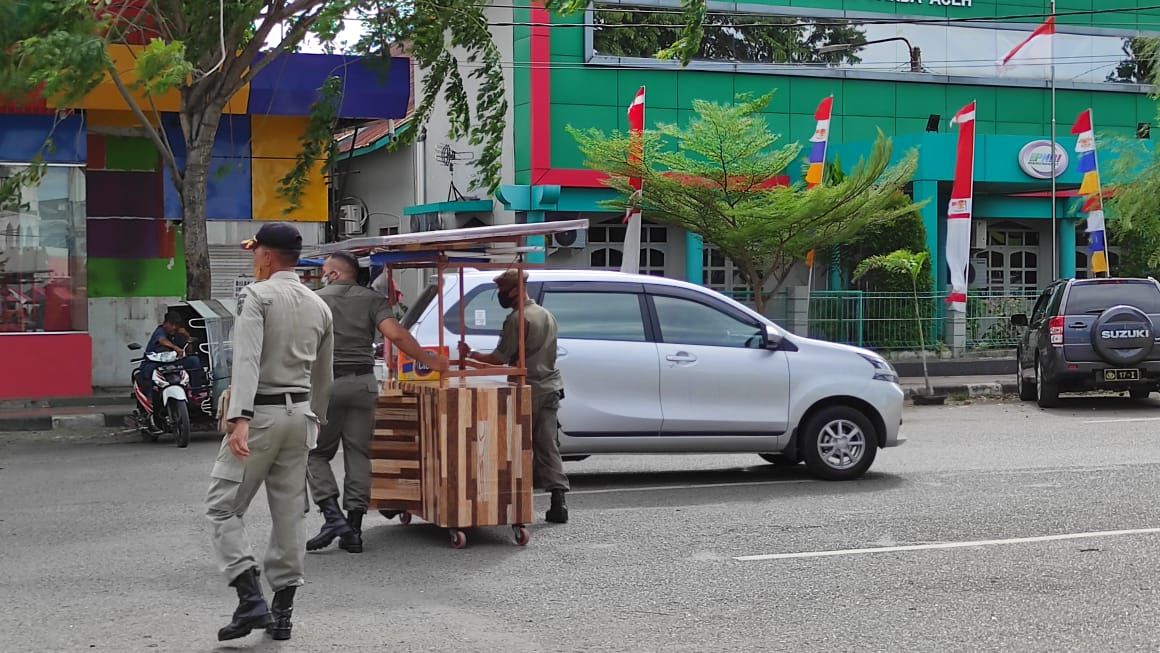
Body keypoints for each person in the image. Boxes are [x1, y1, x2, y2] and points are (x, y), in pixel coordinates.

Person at [206, 223, 334, 643]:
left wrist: (239, 416)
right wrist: (315, 418)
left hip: (259, 414)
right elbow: (323, 375)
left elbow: (246, 359)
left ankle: (249, 600)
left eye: (255, 251)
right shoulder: (319, 305)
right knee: (289, 513)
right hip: (301, 415)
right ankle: (283, 614)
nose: (252, 257)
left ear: (265, 255)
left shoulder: (257, 297)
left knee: (224, 506)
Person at [306, 251, 449, 554]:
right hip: (363, 384)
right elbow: (395, 334)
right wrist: (429, 360)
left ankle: (333, 516)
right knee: (358, 453)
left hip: (326, 384)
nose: (323, 276)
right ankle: (354, 531)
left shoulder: (314, 300)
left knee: (315, 454)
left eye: (325, 271)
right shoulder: (372, 300)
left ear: (333, 273)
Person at [460, 269, 570, 523]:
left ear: (515, 291)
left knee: (515, 447)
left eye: (501, 291)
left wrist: (471, 354)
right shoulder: (546, 314)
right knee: (547, 446)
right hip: (550, 387)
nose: (500, 296)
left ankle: (516, 504)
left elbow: (499, 358)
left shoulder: (517, 319)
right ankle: (558, 501)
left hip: (525, 389)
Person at [139, 311, 208, 392]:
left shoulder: (179, 334)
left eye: (176, 325)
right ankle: (151, 395)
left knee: (194, 360)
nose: (174, 327)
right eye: (171, 324)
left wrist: (187, 336)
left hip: (174, 362)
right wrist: (175, 347)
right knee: (148, 371)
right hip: (156, 362)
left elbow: (189, 351)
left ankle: (196, 391)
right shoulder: (160, 330)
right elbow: (162, 340)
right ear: (165, 323)